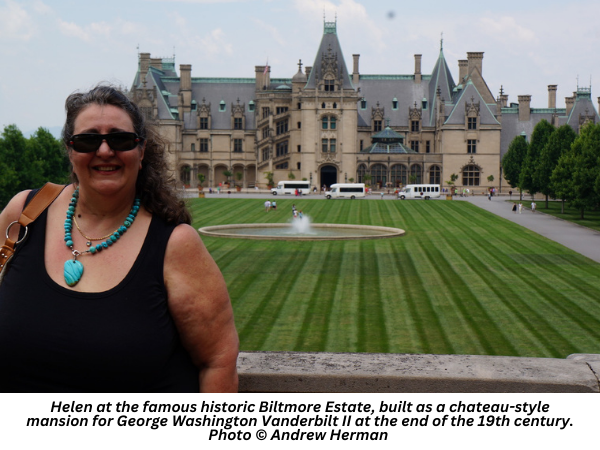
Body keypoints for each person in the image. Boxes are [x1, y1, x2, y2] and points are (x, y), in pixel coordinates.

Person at [0, 85, 238, 393]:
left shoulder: (175, 244)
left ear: (141, 151)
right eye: (87, 140)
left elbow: (218, 361)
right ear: (71, 151)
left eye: (120, 139)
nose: (104, 151)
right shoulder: (23, 213)